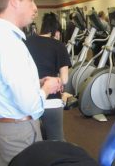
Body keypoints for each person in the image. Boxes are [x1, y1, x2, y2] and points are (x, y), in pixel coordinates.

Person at [0, 0, 61, 165]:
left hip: (6, 128)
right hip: (19, 133)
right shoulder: (8, 43)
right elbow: (32, 106)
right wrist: (47, 88)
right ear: (14, 2)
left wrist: (35, 84)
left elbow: (6, 84)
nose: (35, 7)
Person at [26, 12, 72, 141]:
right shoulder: (59, 45)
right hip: (51, 100)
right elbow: (64, 79)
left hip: (30, 100)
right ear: (56, 31)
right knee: (56, 140)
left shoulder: (27, 41)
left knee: (33, 141)